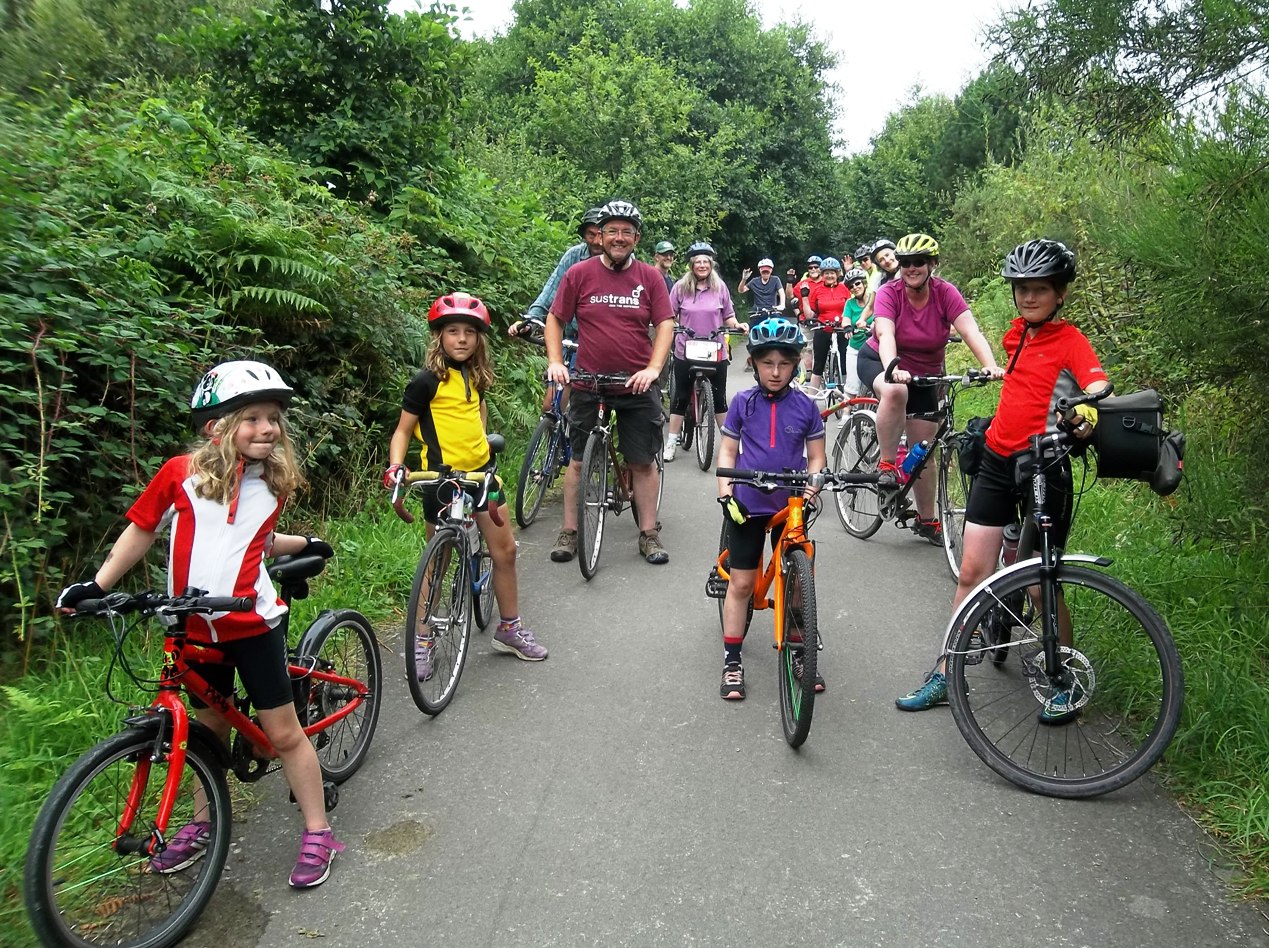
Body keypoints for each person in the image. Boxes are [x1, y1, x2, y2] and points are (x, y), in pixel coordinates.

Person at [55, 361, 345, 888]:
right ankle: (201, 823)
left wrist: (305, 544)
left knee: (281, 734)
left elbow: (255, 540)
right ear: (217, 426)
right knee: (203, 731)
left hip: (252, 624)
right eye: (251, 418)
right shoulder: (180, 476)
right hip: (193, 627)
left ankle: (318, 829)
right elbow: (141, 531)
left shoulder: (273, 484)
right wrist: (98, 587)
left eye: (273, 418)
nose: (267, 429)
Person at [896, 239, 1108, 714]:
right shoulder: (1016, 335)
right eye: (1021, 289)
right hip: (996, 460)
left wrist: (1088, 411)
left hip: (1044, 465)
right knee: (972, 573)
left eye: (1040, 289)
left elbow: (1094, 385)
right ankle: (947, 674)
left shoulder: (1070, 339)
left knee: (1040, 579)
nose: (1029, 298)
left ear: (1059, 294)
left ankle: (1064, 678)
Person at [385, 293, 548, 669]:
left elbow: (478, 414)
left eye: (469, 333)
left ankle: (509, 627)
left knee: (505, 551)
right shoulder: (425, 382)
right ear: (439, 337)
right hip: (441, 480)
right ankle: (423, 638)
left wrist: (483, 443)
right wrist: (396, 466)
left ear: (479, 339)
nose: (461, 339)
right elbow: (402, 431)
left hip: (481, 476)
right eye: (452, 331)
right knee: (437, 562)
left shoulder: (476, 376)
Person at [544, 199, 674, 565]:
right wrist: (556, 361)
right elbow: (555, 318)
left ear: (636, 237)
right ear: (600, 236)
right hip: (588, 380)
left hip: (635, 384)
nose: (619, 238)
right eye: (612, 231)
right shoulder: (580, 273)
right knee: (579, 462)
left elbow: (665, 324)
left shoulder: (650, 277)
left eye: (626, 232)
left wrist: (652, 368)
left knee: (643, 463)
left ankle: (648, 533)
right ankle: (570, 531)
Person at [856, 233, 1003, 541]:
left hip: (925, 374)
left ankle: (927, 521)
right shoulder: (889, 293)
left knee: (923, 452)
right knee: (896, 392)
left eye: (919, 262)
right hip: (883, 362)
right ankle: (885, 466)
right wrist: (892, 368)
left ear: (932, 264)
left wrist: (989, 364)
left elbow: (970, 330)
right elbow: (885, 334)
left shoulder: (945, 293)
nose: (911, 268)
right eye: (905, 262)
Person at [715, 316, 826, 700]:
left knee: (796, 584)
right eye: (767, 363)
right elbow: (728, 451)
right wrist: (725, 490)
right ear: (755, 364)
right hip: (747, 502)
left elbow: (816, 459)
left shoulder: (806, 407)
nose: (775, 372)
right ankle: (732, 660)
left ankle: (800, 655)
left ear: (796, 364)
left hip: (791, 503)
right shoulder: (742, 403)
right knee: (743, 583)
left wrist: (812, 489)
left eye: (784, 363)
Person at [664, 242, 747, 461]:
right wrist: (673, 326)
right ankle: (671, 441)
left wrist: (737, 325)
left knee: (719, 397)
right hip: (686, 348)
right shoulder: (681, 287)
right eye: (698, 262)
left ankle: (728, 444)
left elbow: (728, 315)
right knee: (681, 396)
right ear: (691, 265)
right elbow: (669, 315)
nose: (702, 265)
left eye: (705, 262)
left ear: (711, 264)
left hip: (715, 348)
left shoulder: (720, 288)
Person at [799, 255, 850, 393]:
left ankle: (847, 397)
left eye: (832, 273)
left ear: (837, 274)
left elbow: (851, 308)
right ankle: (811, 401)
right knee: (818, 366)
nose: (829, 276)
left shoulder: (844, 288)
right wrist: (804, 297)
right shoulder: (817, 290)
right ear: (822, 275)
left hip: (842, 330)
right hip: (823, 328)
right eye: (826, 273)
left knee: (846, 363)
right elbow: (810, 315)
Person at [841, 266, 872, 395]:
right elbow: (846, 319)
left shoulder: (874, 299)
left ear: (864, 283)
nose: (855, 287)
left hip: (873, 347)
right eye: (851, 286)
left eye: (857, 283)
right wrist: (847, 327)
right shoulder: (850, 303)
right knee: (852, 386)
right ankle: (846, 414)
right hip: (855, 347)